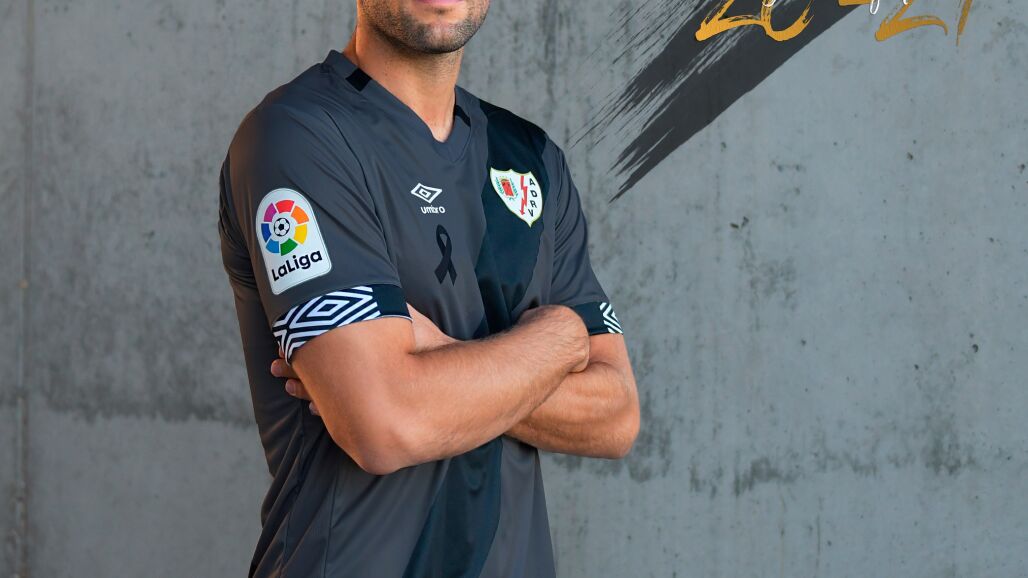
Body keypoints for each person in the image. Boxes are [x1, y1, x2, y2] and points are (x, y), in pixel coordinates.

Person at [217, 0, 640, 576]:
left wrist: (439, 359)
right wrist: (561, 340)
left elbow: (615, 414)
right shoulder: (299, 136)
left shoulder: (532, 158)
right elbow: (383, 424)